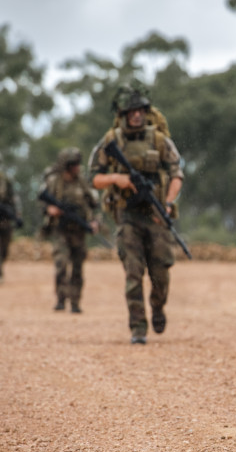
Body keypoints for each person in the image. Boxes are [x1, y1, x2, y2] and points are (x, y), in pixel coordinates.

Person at [88, 80, 184, 345]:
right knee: (133, 273)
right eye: (131, 112)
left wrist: (166, 202)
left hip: (155, 214)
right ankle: (138, 328)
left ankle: (158, 307)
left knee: (161, 273)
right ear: (124, 115)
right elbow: (94, 178)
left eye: (141, 110)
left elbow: (177, 174)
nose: (137, 115)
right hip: (128, 216)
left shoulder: (159, 140)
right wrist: (116, 180)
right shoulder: (112, 141)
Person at [40, 147, 99, 312]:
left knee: (78, 267)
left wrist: (94, 223)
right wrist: (49, 209)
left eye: (78, 164)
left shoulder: (82, 182)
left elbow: (94, 205)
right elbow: (43, 202)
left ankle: (75, 302)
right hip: (61, 229)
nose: (77, 167)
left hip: (79, 230)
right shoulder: (54, 182)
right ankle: (61, 298)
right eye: (73, 164)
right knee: (61, 263)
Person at [0, 155, 23, 283]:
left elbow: (14, 199)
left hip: (5, 221)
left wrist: (18, 216)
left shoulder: (5, 181)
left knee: (4, 250)